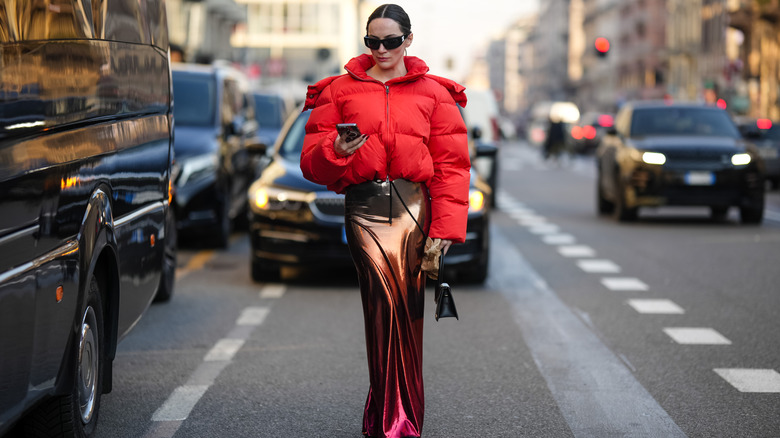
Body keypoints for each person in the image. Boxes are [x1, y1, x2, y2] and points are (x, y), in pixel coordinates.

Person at [299, 4, 470, 437]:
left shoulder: (435, 93)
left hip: (414, 213)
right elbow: (311, 165)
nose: (381, 49)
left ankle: (396, 418)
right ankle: (391, 420)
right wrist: (337, 150)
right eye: (372, 41)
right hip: (365, 214)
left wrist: (446, 228)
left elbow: (452, 166)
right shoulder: (338, 90)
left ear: (408, 40)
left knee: (407, 313)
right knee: (381, 310)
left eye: (391, 41)